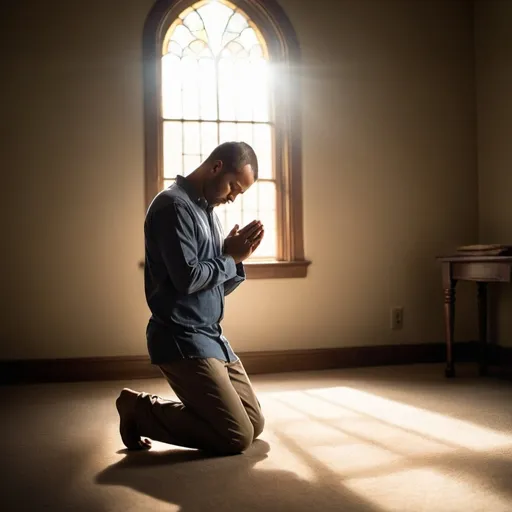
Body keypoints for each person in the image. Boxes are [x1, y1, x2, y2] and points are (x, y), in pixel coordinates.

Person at [116, 141, 266, 456]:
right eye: (233, 187)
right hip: (180, 337)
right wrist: (229, 258)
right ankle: (138, 410)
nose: (232, 196)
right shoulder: (173, 206)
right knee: (235, 436)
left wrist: (235, 259)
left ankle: (154, 411)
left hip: (211, 336)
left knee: (255, 422)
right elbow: (187, 280)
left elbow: (209, 286)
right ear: (216, 168)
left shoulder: (209, 214)